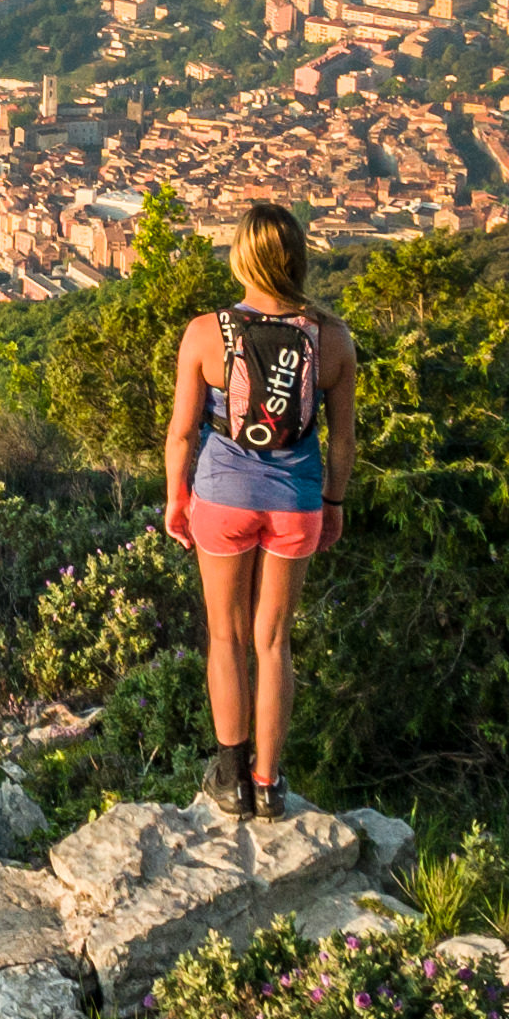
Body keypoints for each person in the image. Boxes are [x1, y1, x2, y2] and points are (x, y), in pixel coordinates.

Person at [155, 194, 354, 819]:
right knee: (273, 642)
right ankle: (268, 784)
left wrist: (176, 497)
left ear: (242, 259)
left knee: (226, 635)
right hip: (297, 500)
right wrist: (334, 502)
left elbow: (181, 434)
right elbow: (343, 440)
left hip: (222, 496)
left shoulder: (206, 333)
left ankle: (231, 776)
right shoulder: (331, 338)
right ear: (297, 260)